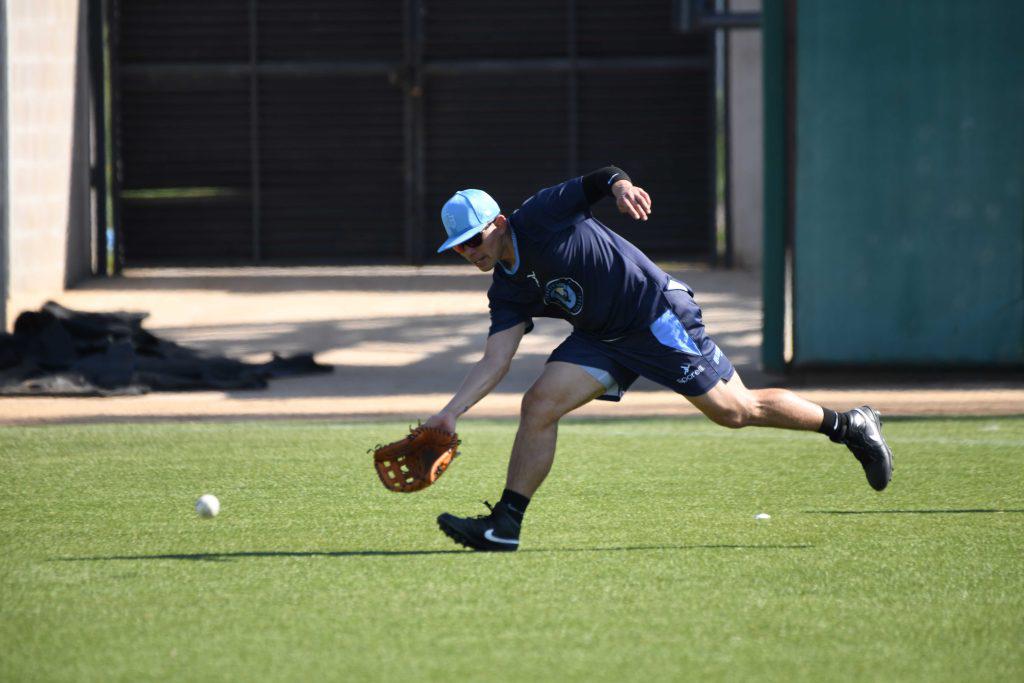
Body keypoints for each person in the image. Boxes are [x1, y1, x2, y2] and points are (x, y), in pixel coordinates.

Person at [425, 166, 893, 552]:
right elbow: (495, 360)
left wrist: (623, 188)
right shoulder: (506, 289)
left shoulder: (540, 215)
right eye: (459, 247)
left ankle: (849, 425)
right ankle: (505, 525)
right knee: (538, 405)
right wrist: (450, 412)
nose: (469, 252)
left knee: (734, 411)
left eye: (474, 239)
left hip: (655, 314)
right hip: (601, 338)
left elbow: (601, 178)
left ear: (500, 222)